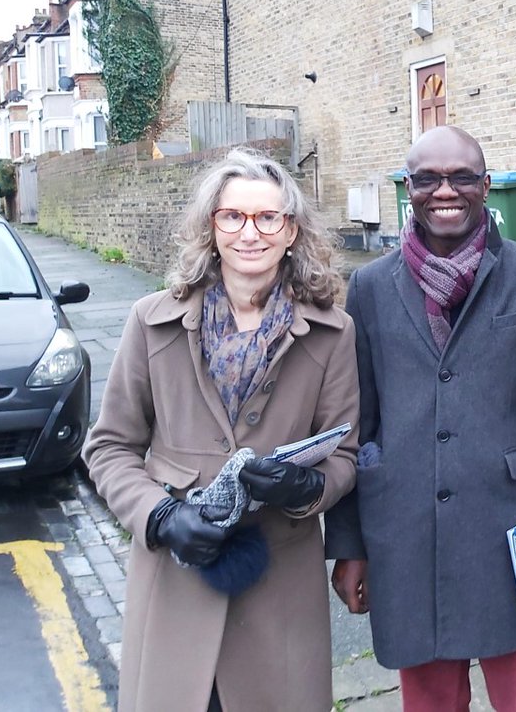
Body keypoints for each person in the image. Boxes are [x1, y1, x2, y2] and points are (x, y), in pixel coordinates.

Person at [84, 147, 360, 712]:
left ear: (291, 231)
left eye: (268, 218)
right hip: (175, 584)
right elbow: (109, 447)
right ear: (211, 227)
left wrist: (307, 489)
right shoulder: (151, 321)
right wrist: (160, 517)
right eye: (232, 216)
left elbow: (345, 455)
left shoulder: (333, 334)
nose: (249, 233)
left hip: (277, 590)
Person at [325, 125, 516, 712]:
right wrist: (349, 544)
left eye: (462, 177)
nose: (445, 190)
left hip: (508, 529)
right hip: (404, 534)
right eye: (428, 179)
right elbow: (356, 424)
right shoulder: (368, 287)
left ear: (486, 186)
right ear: (408, 189)